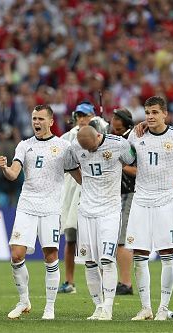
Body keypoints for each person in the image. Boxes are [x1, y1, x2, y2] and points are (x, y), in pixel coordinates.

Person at [0, 104, 81, 320]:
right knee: (16, 254)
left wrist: (94, 187)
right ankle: (24, 301)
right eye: (34, 119)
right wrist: (5, 168)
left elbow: (77, 175)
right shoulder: (24, 146)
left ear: (51, 121)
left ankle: (49, 308)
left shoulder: (63, 147)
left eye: (41, 119)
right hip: (27, 205)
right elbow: (14, 174)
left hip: (51, 208)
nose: (36, 123)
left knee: (50, 255)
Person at [126, 96, 173, 321]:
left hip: (165, 201)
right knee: (140, 254)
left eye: (155, 112)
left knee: (167, 254)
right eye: (147, 112)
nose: (150, 117)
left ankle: (163, 308)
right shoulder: (136, 135)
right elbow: (124, 160)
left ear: (165, 114)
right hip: (140, 200)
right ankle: (146, 308)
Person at [65, 125, 135, 320]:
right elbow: (70, 166)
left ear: (98, 135)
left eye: (93, 147)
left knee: (106, 260)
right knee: (89, 262)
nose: (90, 151)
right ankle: (97, 306)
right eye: (86, 149)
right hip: (86, 211)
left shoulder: (118, 144)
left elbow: (132, 160)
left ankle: (108, 307)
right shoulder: (75, 147)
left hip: (110, 211)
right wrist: (85, 182)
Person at [58, 101, 108, 294]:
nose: (82, 119)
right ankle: (69, 282)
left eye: (85, 115)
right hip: (72, 192)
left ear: (93, 117)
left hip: (94, 192)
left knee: (97, 238)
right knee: (70, 238)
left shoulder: (102, 134)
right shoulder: (66, 138)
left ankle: (104, 282)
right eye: (79, 115)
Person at [110, 109, 136, 296]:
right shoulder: (113, 138)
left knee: (122, 240)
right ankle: (120, 280)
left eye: (118, 119)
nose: (114, 122)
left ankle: (125, 282)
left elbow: (140, 170)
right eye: (113, 118)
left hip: (130, 192)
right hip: (113, 194)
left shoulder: (133, 140)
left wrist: (121, 164)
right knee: (116, 239)